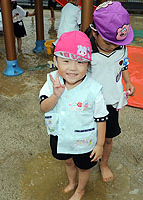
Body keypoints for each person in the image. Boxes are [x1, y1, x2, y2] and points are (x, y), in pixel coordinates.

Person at [39, 31, 108, 200]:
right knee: (68, 161)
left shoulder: (94, 90)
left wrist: (99, 145)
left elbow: (101, 119)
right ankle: (72, 182)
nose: (72, 67)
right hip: (60, 136)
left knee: (84, 167)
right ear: (55, 61)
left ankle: (81, 190)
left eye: (80, 62)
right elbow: (44, 107)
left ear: (88, 64)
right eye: (66, 61)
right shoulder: (51, 81)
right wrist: (55, 95)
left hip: (84, 141)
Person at [84, 1, 136, 182]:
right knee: (87, 135)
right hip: (90, 103)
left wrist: (128, 81)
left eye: (117, 43)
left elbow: (124, 64)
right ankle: (84, 162)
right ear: (94, 32)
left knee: (107, 138)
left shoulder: (121, 45)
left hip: (111, 101)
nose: (113, 46)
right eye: (108, 43)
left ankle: (104, 163)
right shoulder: (87, 51)